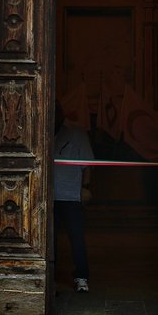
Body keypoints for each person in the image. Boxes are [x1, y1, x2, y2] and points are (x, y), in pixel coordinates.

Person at [52, 106, 92, 291]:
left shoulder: (76, 135)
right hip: (45, 196)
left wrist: (85, 187)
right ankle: (47, 276)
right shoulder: (40, 132)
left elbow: (88, 164)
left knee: (76, 237)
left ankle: (81, 277)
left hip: (70, 195)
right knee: (48, 239)